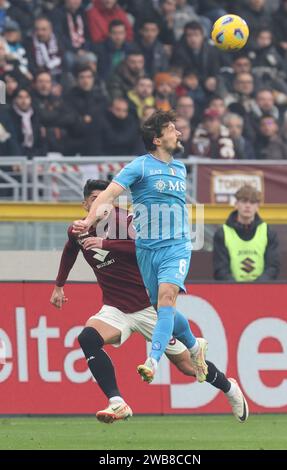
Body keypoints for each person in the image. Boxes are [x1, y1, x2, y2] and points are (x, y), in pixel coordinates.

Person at [52, 179, 249, 423]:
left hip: (150, 307)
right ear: (85, 205)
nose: (101, 204)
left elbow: (144, 247)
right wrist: (59, 285)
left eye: (106, 198)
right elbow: (71, 248)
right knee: (87, 338)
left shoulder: (127, 222)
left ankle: (229, 388)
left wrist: (105, 243)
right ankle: (117, 402)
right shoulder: (78, 230)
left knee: (188, 367)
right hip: (116, 308)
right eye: (95, 200)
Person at [72, 110, 210, 385]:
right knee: (162, 309)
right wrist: (89, 220)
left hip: (177, 246)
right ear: (158, 139)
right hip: (147, 250)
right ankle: (195, 347)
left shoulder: (180, 168)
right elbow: (109, 196)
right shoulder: (140, 167)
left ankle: (153, 361)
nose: (179, 133)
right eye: (173, 129)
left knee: (167, 298)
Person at [213, 185, 280, 282]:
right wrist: (237, 289)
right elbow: (220, 270)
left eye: (252, 202)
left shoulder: (268, 233)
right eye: (244, 201)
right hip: (231, 292)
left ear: (257, 206)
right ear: (236, 204)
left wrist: (256, 288)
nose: (248, 205)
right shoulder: (222, 233)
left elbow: (273, 267)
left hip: (262, 291)